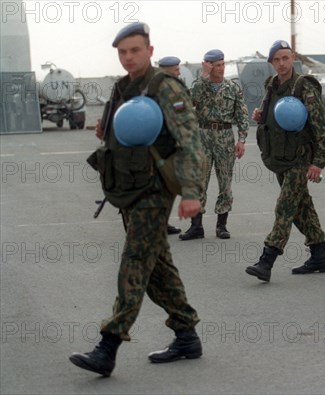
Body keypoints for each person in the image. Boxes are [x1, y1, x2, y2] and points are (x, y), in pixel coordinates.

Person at [69, 22, 207, 377]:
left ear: (149, 49)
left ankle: (108, 346)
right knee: (157, 265)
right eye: (122, 52)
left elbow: (190, 141)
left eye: (134, 50)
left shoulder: (165, 86)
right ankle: (186, 333)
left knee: (134, 262)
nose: (128, 57)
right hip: (128, 190)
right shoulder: (122, 87)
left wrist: (192, 193)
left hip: (153, 192)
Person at [245, 40, 325, 282]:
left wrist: (319, 162)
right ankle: (319, 254)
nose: (282, 63)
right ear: (271, 62)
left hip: (300, 159)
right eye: (277, 59)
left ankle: (267, 260)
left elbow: (323, 127)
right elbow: (275, 116)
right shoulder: (271, 86)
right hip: (280, 157)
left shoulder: (304, 87)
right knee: (301, 208)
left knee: (285, 207)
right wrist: (260, 116)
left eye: (285, 58)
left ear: (293, 57)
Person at [180, 49, 249, 240]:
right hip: (202, 137)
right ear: (208, 66)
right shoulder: (200, 86)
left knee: (225, 183)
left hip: (225, 137)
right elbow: (189, 101)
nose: (221, 68)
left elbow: (242, 115)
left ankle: (221, 225)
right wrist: (203, 77)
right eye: (216, 65)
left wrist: (241, 140)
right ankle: (196, 226)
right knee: (199, 182)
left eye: (222, 64)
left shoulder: (232, 88)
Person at [158, 55, 184, 236]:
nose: (179, 72)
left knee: (169, 189)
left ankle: (163, 223)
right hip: (159, 146)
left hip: (171, 144)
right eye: (176, 70)